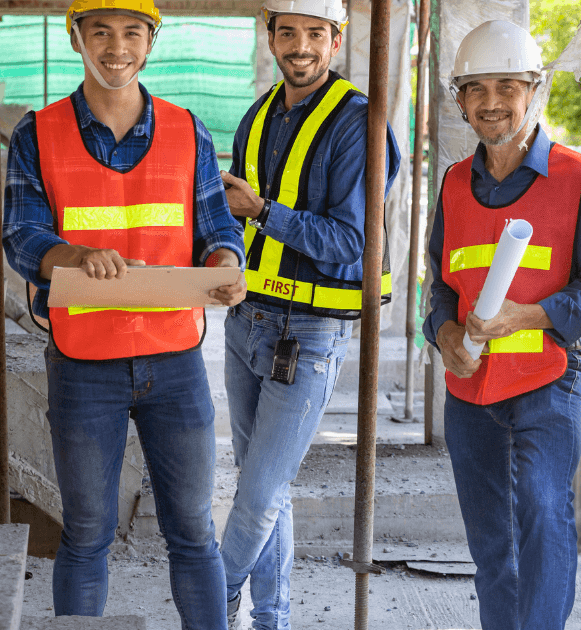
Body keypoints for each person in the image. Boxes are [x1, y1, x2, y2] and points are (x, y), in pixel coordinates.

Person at [1, 1, 247, 626]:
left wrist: (224, 265)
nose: (117, 47)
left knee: (193, 532)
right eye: (101, 31)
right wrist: (72, 254)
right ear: (77, 36)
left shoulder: (189, 130)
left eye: (132, 32)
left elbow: (218, 228)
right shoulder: (38, 133)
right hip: (85, 365)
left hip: (176, 361)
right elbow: (20, 235)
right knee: (86, 534)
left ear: (151, 40)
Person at [422, 20, 581, 630]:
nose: (491, 102)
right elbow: (439, 288)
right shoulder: (453, 184)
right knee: (490, 540)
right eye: (475, 89)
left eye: (507, 85)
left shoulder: (579, 176)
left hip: (550, 377)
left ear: (533, 90)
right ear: (459, 99)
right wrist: (446, 335)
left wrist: (526, 317)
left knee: (541, 510)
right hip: (472, 388)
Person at [217, 1, 400, 627]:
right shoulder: (259, 113)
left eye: (315, 34)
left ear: (337, 39)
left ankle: (206, 605)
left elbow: (353, 244)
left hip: (311, 332)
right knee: (260, 492)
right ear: (270, 38)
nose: (301, 47)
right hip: (248, 321)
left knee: (260, 495)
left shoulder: (359, 123)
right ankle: (271, 620)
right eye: (288, 33)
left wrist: (263, 211)